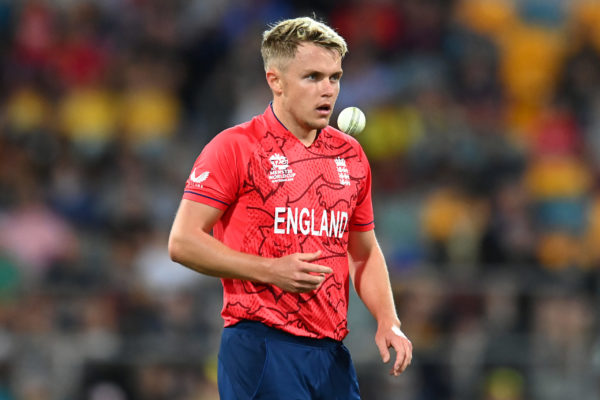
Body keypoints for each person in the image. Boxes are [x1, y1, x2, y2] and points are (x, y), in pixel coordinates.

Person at [168, 16, 412, 399]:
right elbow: (182, 241)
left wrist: (388, 319)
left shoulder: (350, 155)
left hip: (330, 352)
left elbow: (363, 250)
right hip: (261, 344)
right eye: (312, 77)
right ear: (275, 80)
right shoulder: (235, 147)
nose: (327, 90)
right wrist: (269, 270)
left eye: (334, 77)